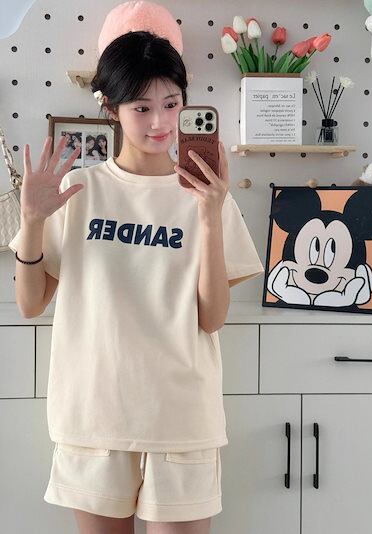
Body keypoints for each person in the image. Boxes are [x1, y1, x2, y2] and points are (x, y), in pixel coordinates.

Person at [8, 30, 265, 534]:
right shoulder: (78, 190)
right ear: (111, 108)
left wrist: (209, 217)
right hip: (94, 417)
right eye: (141, 108)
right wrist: (33, 222)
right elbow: (30, 303)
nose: (160, 122)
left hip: (181, 418)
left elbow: (211, 318)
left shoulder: (210, 195)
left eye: (171, 104)